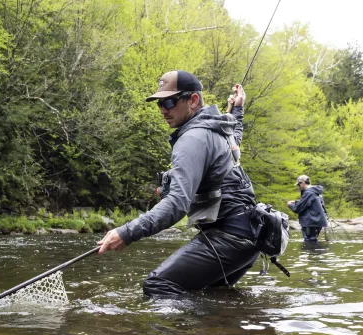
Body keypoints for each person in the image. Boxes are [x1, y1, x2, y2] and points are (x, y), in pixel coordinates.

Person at [98, 70, 260, 297]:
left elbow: (177, 205)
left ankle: (179, 334)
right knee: (212, 295)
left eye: (170, 101)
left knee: (158, 285)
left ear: (193, 100)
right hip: (250, 236)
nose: (164, 109)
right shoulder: (218, 128)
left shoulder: (192, 138)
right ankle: (221, 330)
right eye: (160, 104)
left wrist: (126, 232)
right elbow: (236, 140)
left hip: (230, 237)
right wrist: (238, 109)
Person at [287, 175, 327, 243]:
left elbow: (298, 208)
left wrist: (290, 205)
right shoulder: (315, 191)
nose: (299, 187)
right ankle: (316, 253)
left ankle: (309, 253)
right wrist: (296, 201)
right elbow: (311, 203)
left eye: (299, 184)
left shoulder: (308, 192)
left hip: (311, 222)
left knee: (309, 242)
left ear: (302, 182)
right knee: (313, 240)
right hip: (317, 221)